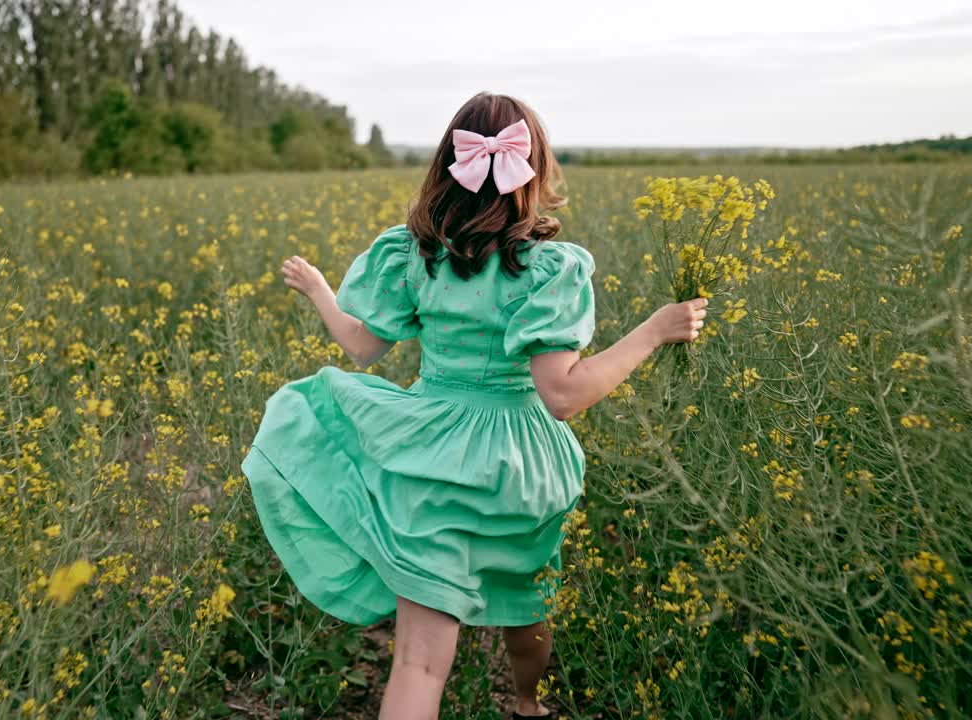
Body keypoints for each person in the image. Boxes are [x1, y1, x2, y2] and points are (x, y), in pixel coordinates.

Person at [240, 91, 707, 720]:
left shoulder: (417, 253)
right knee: (525, 601)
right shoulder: (546, 269)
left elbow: (362, 348)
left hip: (428, 454)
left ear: (447, 167)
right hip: (518, 464)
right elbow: (562, 395)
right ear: (532, 169)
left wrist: (323, 292)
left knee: (418, 663)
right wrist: (653, 330)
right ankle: (528, 704)